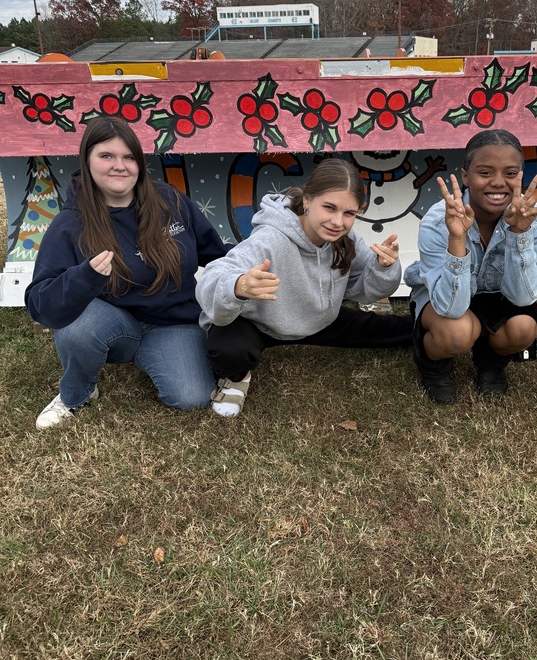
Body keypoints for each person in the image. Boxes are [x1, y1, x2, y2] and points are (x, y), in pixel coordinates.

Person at [25, 116, 228, 429]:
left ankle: (159, 355)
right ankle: (77, 392)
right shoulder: (70, 225)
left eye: (129, 157)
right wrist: (84, 278)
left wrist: (247, 272)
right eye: (106, 156)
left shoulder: (170, 201)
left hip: (174, 323)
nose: (119, 166)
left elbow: (215, 252)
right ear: (87, 160)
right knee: (78, 326)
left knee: (192, 397)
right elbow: (41, 305)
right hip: (113, 325)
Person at [196, 157, 412, 417]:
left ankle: (421, 330)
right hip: (261, 323)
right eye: (329, 208)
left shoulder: (347, 238)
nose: (337, 221)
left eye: (349, 213)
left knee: (397, 329)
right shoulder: (271, 238)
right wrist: (238, 285)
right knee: (228, 350)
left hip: (320, 318)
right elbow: (214, 275)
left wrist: (384, 266)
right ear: (308, 200)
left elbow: (367, 287)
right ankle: (236, 378)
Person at [404, 129, 537, 403]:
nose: (498, 183)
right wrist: (457, 239)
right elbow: (450, 307)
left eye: (510, 173)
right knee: (456, 333)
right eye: (485, 172)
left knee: (523, 329)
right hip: (448, 296)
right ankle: (434, 366)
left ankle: (491, 362)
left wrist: (520, 234)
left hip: (499, 294)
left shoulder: (535, 219)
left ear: (521, 175)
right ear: (465, 175)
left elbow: (522, 297)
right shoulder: (438, 221)